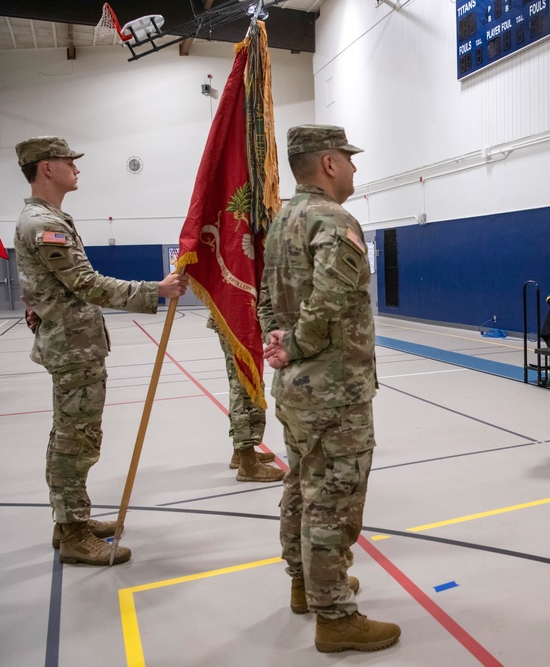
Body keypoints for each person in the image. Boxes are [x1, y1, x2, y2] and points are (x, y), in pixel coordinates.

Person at [12, 136, 188, 565]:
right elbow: (86, 284)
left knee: (71, 436)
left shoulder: (50, 218)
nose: (76, 167)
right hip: (73, 349)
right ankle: (73, 533)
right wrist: (156, 290)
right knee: (77, 440)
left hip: (75, 344)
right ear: (46, 168)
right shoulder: (43, 224)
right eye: (67, 161)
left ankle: (70, 519)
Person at [257, 125, 400, 653]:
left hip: (295, 387)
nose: (355, 168)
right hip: (333, 387)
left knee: (301, 484)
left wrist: (280, 343)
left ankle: (306, 584)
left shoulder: (281, 221)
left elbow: (266, 299)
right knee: (333, 500)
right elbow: (329, 301)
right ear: (329, 164)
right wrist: (296, 343)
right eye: (348, 158)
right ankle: (335, 616)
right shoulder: (333, 220)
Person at [207, 316, 284, 482]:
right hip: (235, 318)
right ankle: (247, 463)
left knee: (245, 381)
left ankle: (240, 453)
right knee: (243, 385)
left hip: (237, 316)